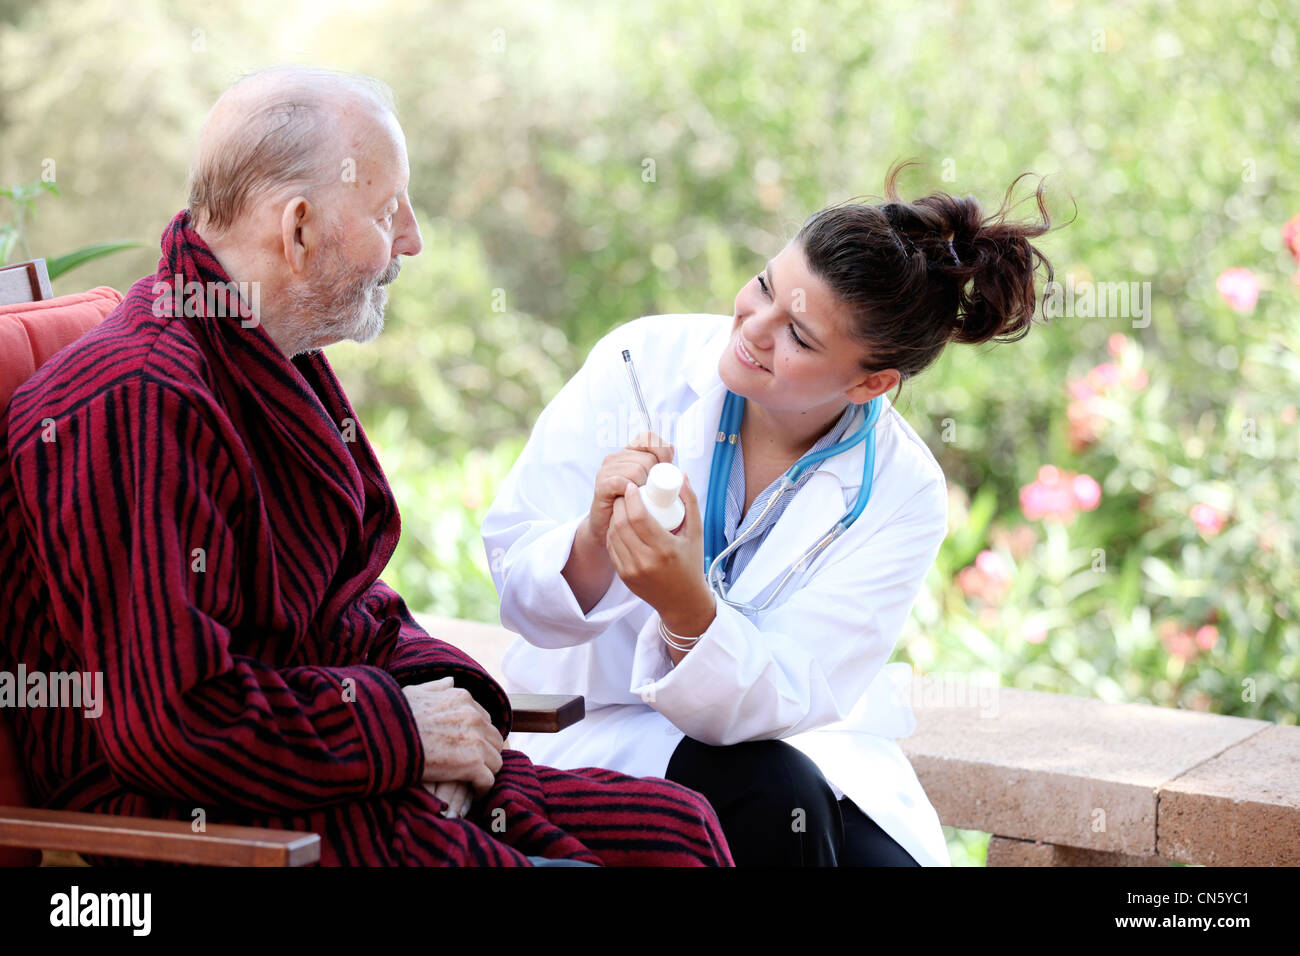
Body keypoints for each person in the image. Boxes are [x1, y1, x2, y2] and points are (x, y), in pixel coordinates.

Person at [0, 66, 732, 867]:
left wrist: (451, 713)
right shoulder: (134, 402)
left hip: (328, 753)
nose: (412, 239)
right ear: (300, 229)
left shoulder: (266, 351)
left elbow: (345, 600)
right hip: (206, 816)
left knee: (678, 830)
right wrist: (400, 735)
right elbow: (176, 720)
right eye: (388, 212)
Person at [481, 163, 1056, 866]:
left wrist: (687, 611)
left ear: (870, 383)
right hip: (597, 724)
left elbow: (788, 693)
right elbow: (517, 578)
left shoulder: (904, 491)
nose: (753, 328)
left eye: (800, 337)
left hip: (809, 745)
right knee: (774, 800)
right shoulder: (639, 363)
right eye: (762, 286)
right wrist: (595, 542)